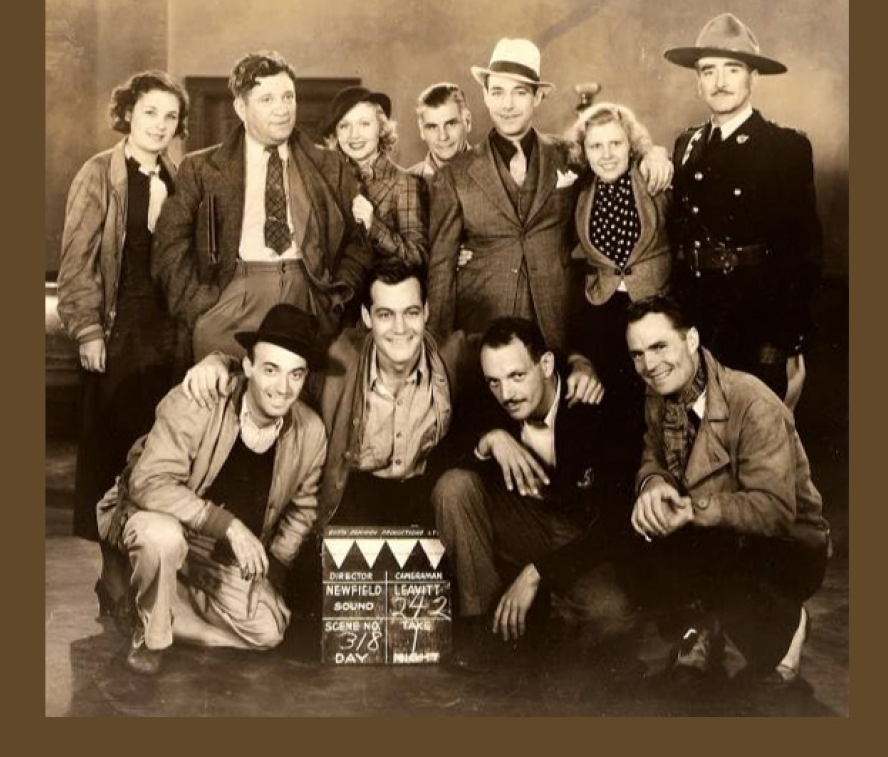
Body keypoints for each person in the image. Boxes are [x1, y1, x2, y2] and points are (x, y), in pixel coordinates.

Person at [182, 261, 603, 528]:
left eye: (410, 313)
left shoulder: (455, 354)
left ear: (427, 313)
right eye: (385, 315)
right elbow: (275, 371)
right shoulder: (336, 359)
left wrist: (579, 364)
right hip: (354, 493)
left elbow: (523, 354)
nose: (400, 329)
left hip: (424, 494)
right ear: (367, 317)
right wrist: (224, 363)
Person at [95, 304, 328, 675]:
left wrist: (276, 568)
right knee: (162, 537)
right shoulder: (199, 400)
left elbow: (303, 508)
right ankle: (149, 634)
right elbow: (147, 482)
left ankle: (149, 607)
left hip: (215, 556)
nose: (283, 389)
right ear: (247, 366)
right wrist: (228, 525)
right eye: (271, 370)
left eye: (295, 375)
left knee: (269, 631)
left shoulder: (310, 430)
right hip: (158, 521)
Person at [625, 295, 830, 687]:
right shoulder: (658, 395)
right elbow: (653, 456)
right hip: (716, 533)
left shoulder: (751, 401)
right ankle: (703, 625)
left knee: (729, 583)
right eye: (637, 354)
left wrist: (693, 510)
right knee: (638, 538)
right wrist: (652, 486)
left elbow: (774, 511)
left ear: (691, 340)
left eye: (658, 346)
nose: (648, 366)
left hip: (785, 546)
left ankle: (790, 620)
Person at [427, 37, 673, 355]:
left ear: (538, 97)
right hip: (483, 322)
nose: (507, 104)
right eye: (498, 91)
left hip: (557, 321)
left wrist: (654, 153)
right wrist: (438, 346)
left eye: (520, 92)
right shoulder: (454, 174)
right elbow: (441, 267)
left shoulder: (568, 154)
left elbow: (613, 156)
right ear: (484, 95)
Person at [432, 317, 638, 667]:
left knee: (611, 617)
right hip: (523, 523)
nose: (506, 394)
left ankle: (540, 618)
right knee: (454, 487)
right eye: (494, 381)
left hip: (581, 541)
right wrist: (490, 441)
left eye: (517, 376)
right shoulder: (490, 401)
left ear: (545, 365)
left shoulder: (593, 408)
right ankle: (483, 627)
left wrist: (537, 572)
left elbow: (617, 526)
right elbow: (436, 465)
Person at [151, 50, 370, 362]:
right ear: (241, 107)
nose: (282, 109)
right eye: (267, 99)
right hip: (231, 294)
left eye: (288, 97)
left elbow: (357, 242)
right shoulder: (200, 167)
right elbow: (169, 245)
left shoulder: (329, 164)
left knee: (295, 401)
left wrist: (334, 300)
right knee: (219, 400)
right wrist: (198, 305)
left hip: (305, 296)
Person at [57, 70, 190, 544]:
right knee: (113, 460)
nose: (159, 124)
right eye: (150, 112)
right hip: (117, 334)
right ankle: (112, 584)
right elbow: (76, 262)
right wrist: (88, 331)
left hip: (167, 338)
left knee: (156, 458)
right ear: (129, 113)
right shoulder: (99, 173)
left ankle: (142, 578)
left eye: (170, 116)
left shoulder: (180, 178)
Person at [664, 13, 822, 403]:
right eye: (708, 71)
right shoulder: (687, 145)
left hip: (756, 315)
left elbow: (803, 251)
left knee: (755, 437)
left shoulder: (784, 147)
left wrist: (783, 339)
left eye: (732, 70)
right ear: (697, 81)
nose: (719, 82)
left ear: (753, 78)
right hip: (696, 314)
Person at [566, 101, 674, 471]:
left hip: (656, 305)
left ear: (631, 145)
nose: (607, 154)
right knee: (613, 408)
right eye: (596, 146)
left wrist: (658, 154)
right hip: (604, 311)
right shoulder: (580, 192)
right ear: (584, 151)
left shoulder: (653, 179)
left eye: (615, 143)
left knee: (657, 402)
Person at [322, 86, 428, 266]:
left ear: (381, 129)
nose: (354, 135)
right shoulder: (328, 181)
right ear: (336, 134)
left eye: (364, 124)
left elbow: (418, 256)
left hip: (387, 286)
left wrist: (374, 226)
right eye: (344, 125)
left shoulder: (405, 183)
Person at [407, 82, 473, 182]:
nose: (443, 136)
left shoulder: (496, 173)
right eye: (432, 127)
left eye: (451, 124)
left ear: (467, 122)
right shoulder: (403, 184)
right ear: (421, 129)